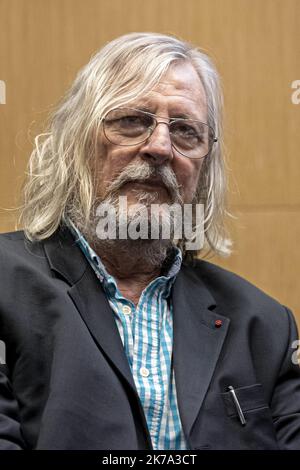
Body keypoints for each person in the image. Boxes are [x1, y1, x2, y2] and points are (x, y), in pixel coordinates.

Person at [0, 32, 299, 451]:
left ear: (204, 170)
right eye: (131, 121)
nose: (160, 147)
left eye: (185, 132)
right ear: (75, 144)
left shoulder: (266, 326)